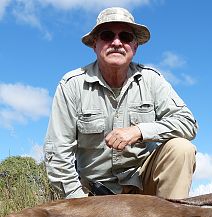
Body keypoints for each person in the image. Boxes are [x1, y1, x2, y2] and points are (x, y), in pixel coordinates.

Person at [44, 7, 198, 199]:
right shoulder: (72, 84)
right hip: (93, 194)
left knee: (181, 149)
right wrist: (79, 203)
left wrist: (139, 131)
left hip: (143, 186)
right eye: (107, 35)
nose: (116, 43)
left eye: (125, 37)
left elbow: (188, 123)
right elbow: (57, 153)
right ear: (95, 44)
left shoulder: (152, 79)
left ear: (135, 46)